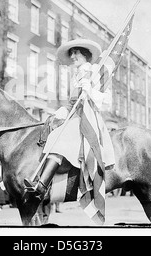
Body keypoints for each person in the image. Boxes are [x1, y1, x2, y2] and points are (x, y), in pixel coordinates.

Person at [24, 39, 115, 202]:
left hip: (88, 118)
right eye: (71, 53)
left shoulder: (94, 72)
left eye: (76, 52)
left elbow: (106, 101)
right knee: (50, 132)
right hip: (75, 116)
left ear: (85, 54)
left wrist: (89, 91)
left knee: (57, 138)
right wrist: (62, 110)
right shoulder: (78, 75)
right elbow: (73, 103)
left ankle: (42, 185)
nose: (73, 56)